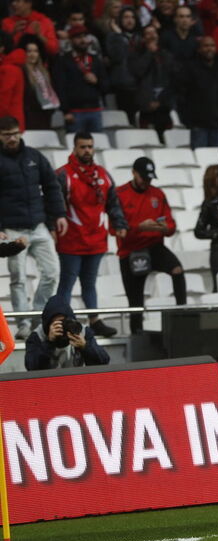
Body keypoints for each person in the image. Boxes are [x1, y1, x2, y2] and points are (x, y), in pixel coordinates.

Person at [54, 132, 128, 338]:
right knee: (67, 281)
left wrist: (119, 224)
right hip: (71, 240)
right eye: (82, 147)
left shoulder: (102, 174)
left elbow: (113, 202)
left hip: (96, 239)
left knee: (89, 282)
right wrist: (53, 228)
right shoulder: (63, 174)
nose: (87, 150)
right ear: (74, 149)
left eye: (89, 146)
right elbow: (53, 203)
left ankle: (94, 320)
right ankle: (60, 321)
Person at [0, 115, 64, 339]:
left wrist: (58, 215)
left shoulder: (34, 156)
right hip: (12, 228)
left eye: (15, 133)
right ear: (0, 136)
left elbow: (51, 185)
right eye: (7, 134)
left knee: (52, 271)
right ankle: (23, 323)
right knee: (18, 278)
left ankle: (38, 314)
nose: (13, 138)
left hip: (38, 226)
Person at [116, 157, 186, 333]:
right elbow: (116, 229)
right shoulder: (120, 194)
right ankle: (137, 335)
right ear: (134, 173)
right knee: (136, 302)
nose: (147, 182)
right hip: (131, 250)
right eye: (143, 178)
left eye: (149, 179)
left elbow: (171, 224)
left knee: (177, 269)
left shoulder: (157, 194)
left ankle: (182, 316)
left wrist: (165, 228)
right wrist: (139, 227)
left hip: (155, 246)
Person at [24, 294, 109, 370]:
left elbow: (104, 361)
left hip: (77, 382)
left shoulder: (81, 331)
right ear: (48, 324)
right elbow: (31, 367)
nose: (62, 327)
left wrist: (85, 346)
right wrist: (49, 343)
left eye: (64, 322)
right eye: (57, 324)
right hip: (48, 383)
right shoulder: (38, 336)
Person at [53, 25, 108, 134]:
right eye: (78, 37)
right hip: (74, 112)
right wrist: (66, 111)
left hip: (95, 110)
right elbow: (60, 86)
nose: (82, 40)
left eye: (84, 37)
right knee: (76, 147)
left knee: (97, 145)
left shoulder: (95, 60)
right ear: (71, 40)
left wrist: (97, 81)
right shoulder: (64, 61)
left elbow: (106, 85)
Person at [131, 25, 175, 141]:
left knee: (167, 140)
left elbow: (172, 79)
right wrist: (149, 53)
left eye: (154, 33)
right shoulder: (136, 55)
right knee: (148, 140)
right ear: (143, 37)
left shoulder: (166, 55)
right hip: (146, 107)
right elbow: (138, 72)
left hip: (164, 107)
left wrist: (161, 101)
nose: (151, 36)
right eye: (148, 33)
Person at [105, 7, 140, 124]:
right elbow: (117, 56)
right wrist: (120, 35)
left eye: (132, 17)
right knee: (126, 122)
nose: (130, 20)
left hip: (139, 85)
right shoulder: (113, 37)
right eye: (126, 17)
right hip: (122, 85)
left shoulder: (140, 37)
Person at [19, 35, 59, 130]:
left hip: (45, 116)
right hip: (29, 117)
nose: (33, 54)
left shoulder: (44, 72)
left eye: (36, 51)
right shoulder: (22, 72)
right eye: (29, 51)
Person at [0, 31, 26, 128]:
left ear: (1, 48)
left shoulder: (8, 69)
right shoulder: (10, 66)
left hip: (7, 126)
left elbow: (3, 102)